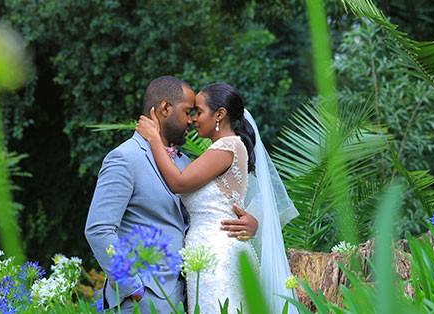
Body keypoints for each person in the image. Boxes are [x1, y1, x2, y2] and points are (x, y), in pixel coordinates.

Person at [85, 76, 259, 313]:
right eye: (188, 111)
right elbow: (99, 229)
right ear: (166, 108)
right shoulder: (125, 158)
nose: (191, 120)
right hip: (143, 300)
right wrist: (131, 287)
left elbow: (207, 209)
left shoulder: (184, 162)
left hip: (190, 295)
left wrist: (249, 222)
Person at [136, 82, 298, 313]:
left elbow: (178, 182)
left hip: (218, 259)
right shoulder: (220, 150)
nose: (192, 119)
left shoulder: (228, 146)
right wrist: (252, 221)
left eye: (199, 112)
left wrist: (154, 139)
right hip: (209, 256)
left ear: (219, 114)